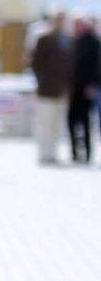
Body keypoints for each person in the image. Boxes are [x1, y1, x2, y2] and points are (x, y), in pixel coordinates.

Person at [30, 11, 74, 166]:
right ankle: (44, 152)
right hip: (46, 90)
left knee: (57, 124)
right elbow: (35, 63)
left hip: (63, 91)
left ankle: (53, 152)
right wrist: (42, 81)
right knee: (45, 123)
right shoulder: (44, 39)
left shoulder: (69, 40)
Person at [72, 15, 99, 165]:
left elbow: (96, 66)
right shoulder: (72, 41)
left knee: (86, 120)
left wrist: (93, 84)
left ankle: (87, 153)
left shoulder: (94, 42)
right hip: (71, 89)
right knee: (72, 121)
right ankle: (75, 153)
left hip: (87, 88)